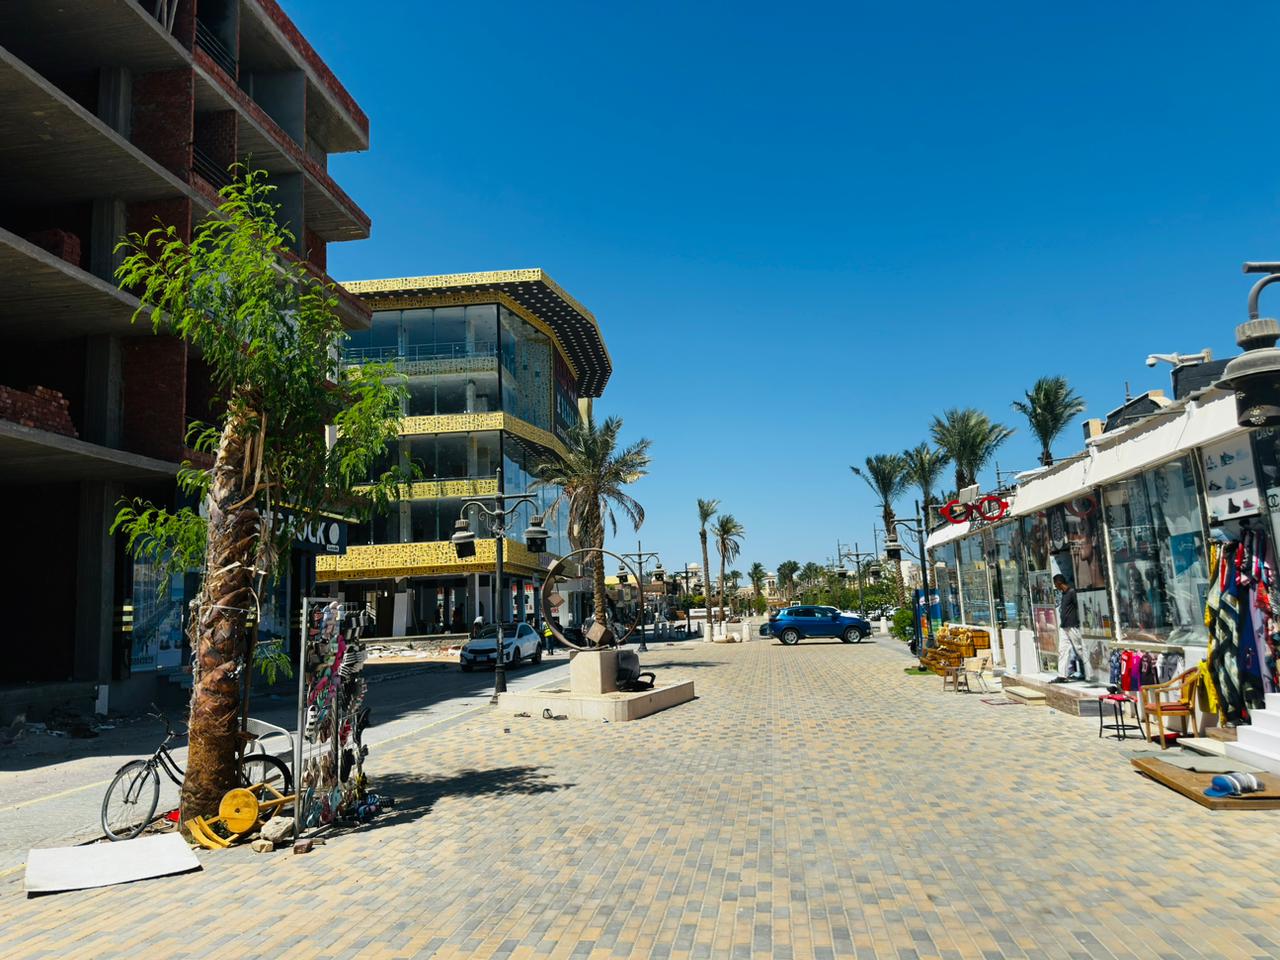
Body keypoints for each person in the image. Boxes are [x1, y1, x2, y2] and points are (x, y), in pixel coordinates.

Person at [1053, 573, 1085, 681]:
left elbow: (1078, 607)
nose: (1055, 586)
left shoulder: (1072, 592)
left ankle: (1089, 672)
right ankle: (1062, 675)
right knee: (1063, 650)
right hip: (1064, 626)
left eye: (1055, 584)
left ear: (1059, 582)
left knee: (1079, 649)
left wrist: (1078, 622)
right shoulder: (1064, 594)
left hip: (1072, 625)